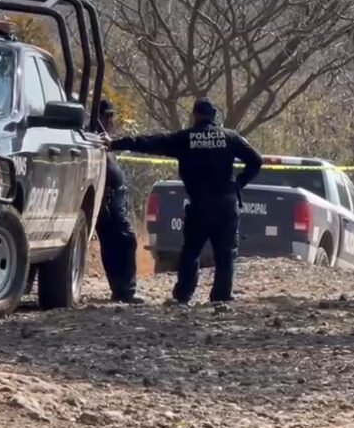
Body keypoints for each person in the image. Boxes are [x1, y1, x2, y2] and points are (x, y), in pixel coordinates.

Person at [107, 98, 263, 306]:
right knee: (225, 252)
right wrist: (238, 183)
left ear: (195, 116)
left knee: (191, 250)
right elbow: (256, 160)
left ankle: (183, 295)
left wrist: (116, 144)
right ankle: (221, 296)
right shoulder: (230, 137)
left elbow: (149, 142)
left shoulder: (185, 138)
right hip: (226, 203)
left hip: (199, 203)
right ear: (215, 117)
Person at [94, 99, 143, 304]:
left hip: (115, 196)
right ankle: (126, 290)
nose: (111, 120)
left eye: (112, 116)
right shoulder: (94, 138)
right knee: (125, 240)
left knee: (115, 243)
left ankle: (121, 290)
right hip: (108, 198)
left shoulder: (104, 139)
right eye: (107, 116)